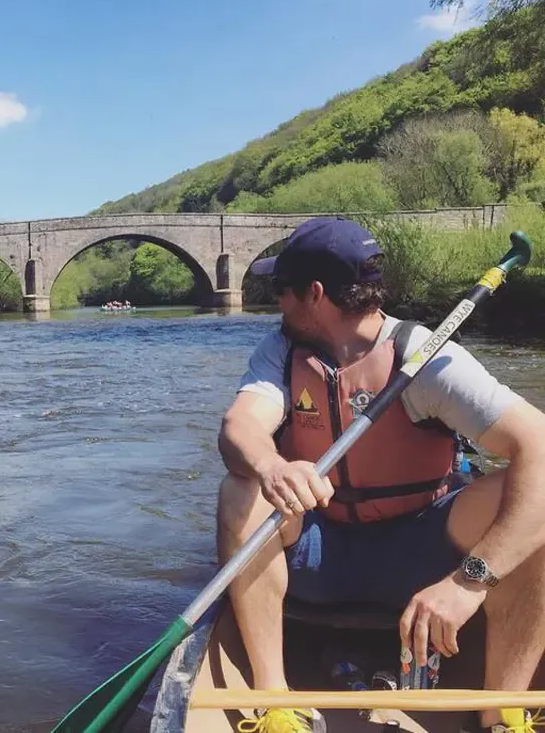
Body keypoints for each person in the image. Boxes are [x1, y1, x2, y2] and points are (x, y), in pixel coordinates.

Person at [216, 216, 545, 733]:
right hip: (319, 553)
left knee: (532, 505)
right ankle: (275, 700)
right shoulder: (281, 352)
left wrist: (468, 582)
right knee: (242, 488)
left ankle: (500, 709)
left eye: (282, 290)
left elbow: (540, 448)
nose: (276, 302)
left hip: (423, 552)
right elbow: (240, 427)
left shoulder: (426, 360)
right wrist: (272, 466)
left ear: (314, 294)